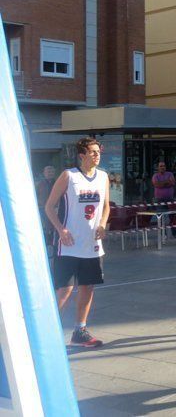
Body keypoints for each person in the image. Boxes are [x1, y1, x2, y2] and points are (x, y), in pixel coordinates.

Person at [44, 138, 110, 348]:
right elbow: (49, 207)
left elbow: (106, 206)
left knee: (87, 286)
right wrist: (61, 230)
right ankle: (46, 333)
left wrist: (102, 224)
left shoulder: (103, 177)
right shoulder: (69, 176)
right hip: (69, 244)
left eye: (98, 151)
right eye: (92, 152)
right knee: (64, 289)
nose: (97, 155)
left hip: (92, 244)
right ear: (82, 155)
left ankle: (79, 331)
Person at [152, 161, 176, 238]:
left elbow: (172, 183)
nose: (162, 167)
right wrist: (167, 182)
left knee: (173, 216)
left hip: (170, 199)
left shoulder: (170, 174)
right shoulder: (155, 176)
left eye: (164, 166)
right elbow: (157, 185)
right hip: (159, 199)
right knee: (160, 217)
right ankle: (163, 234)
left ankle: (175, 233)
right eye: (160, 166)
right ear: (158, 168)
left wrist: (162, 183)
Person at [36, 165, 57, 255]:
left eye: (51, 171)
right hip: (42, 209)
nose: (50, 173)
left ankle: (53, 246)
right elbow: (35, 196)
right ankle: (45, 246)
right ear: (44, 173)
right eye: (48, 171)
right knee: (44, 228)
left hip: (55, 209)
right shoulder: (39, 184)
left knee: (54, 227)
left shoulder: (58, 183)